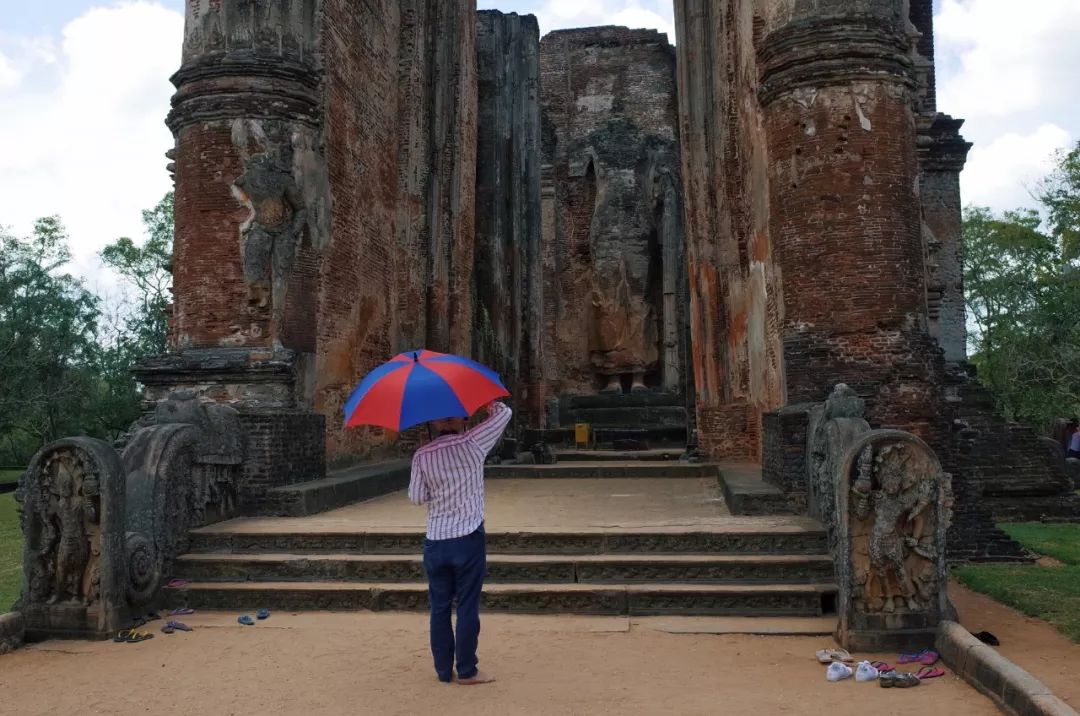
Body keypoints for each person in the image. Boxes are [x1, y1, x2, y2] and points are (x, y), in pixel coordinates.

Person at [408, 400, 512, 685]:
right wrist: (484, 400)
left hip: (436, 540)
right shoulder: (473, 443)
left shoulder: (421, 456)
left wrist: (438, 491)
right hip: (467, 537)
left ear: (434, 423)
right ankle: (467, 670)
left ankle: (443, 671)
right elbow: (504, 413)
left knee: (439, 607)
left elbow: (416, 497)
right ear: (462, 418)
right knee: (467, 605)